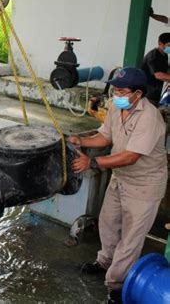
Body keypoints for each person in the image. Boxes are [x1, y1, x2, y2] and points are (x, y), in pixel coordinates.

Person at [68, 67, 167, 304]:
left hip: (144, 184)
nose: (116, 95)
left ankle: (117, 286)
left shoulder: (150, 117)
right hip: (120, 177)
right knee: (108, 223)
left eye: (121, 91)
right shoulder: (115, 107)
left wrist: (92, 161)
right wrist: (80, 140)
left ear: (138, 94)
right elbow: (105, 137)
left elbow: (131, 156)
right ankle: (104, 263)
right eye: (114, 90)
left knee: (131, 238)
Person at [141, 32, 170, 107]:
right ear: (160, 43)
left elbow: (165, 71)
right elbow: (159, 75)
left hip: (157, 92)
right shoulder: (153, 56)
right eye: (169, 45)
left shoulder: (164, 55)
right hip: (149, 94)